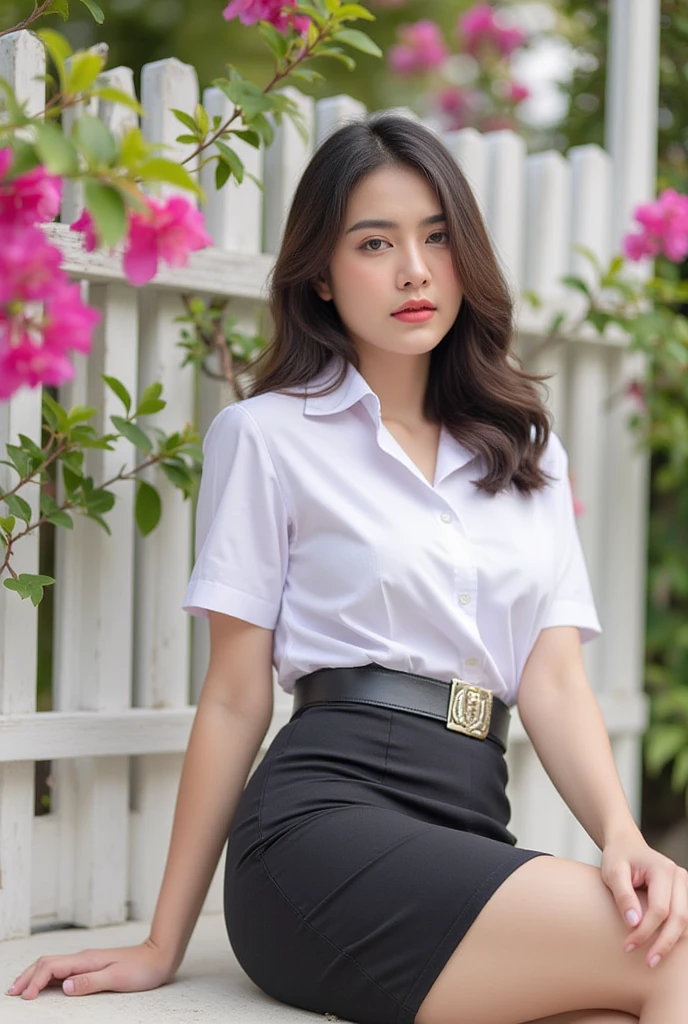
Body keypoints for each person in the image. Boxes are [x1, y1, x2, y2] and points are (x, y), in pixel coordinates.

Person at [7, 114, 688, 1024]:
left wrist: (621, 836)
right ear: (321, 276)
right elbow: (236, 695)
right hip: (319, 829)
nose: (414, 268)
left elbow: (554, 678)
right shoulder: (268, 438)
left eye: (437, 237)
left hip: (466, 825)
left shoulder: (527, 451)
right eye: (376, 242)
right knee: (673, 952)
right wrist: (162, 942)